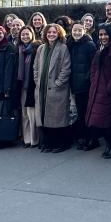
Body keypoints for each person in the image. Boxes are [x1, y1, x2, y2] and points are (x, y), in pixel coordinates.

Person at [86, 24, 111, 158]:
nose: (103, 37)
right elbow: (94, 69)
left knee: (107, 122)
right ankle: (109, 145)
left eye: (105, 34)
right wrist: (93, 81)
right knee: (98, 122)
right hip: (97, 90)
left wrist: (110, 88)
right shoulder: (100, 49)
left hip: (108, 92)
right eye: (101, 34)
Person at [34, 24, 71, 153]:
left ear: (59, 34)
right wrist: (37, 80)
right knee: (45, 117)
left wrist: (58, 83)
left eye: (54, 32)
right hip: (42, 88)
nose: (51, 34)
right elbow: (36, 67)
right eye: (49, 32)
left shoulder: (63, 48)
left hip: (57, 89)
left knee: (57, 118)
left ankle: (61, 144)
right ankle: (48, 143)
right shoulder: (41, 48)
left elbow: (66, 68)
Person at [66, 21, 97, 149]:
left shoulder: (89, 45)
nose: (77, 32)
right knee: (80, 113)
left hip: (86, 85)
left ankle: (92, 139)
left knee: (87, 113)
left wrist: (87, 79)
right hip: (75, 85)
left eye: (79, 30)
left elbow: (94, 65)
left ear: (84, 31)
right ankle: (83, 138)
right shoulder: (70, 44)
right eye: (75, 30)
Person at [17, 26, 41, 148]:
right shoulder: (19, 49)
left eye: (27, 34)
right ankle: (27, 138)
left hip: (33, 85)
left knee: (33, 114)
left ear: (32, 35)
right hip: (22, 86)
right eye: (23, 34)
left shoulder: (37, 48)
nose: (25, 36)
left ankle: (35, 139)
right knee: (24, 114)